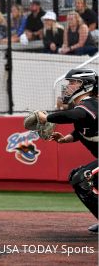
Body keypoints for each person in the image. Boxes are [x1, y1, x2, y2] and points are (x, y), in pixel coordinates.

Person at [37, 68, 98, 232]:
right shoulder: (86, 106)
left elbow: (74, 116)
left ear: (85, 85)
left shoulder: (90, 104)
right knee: (77, 177)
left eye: (72, 82)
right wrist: (67, 139)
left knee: (81, 178)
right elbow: (86, 128)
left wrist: (47, 118)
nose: (68, 86)